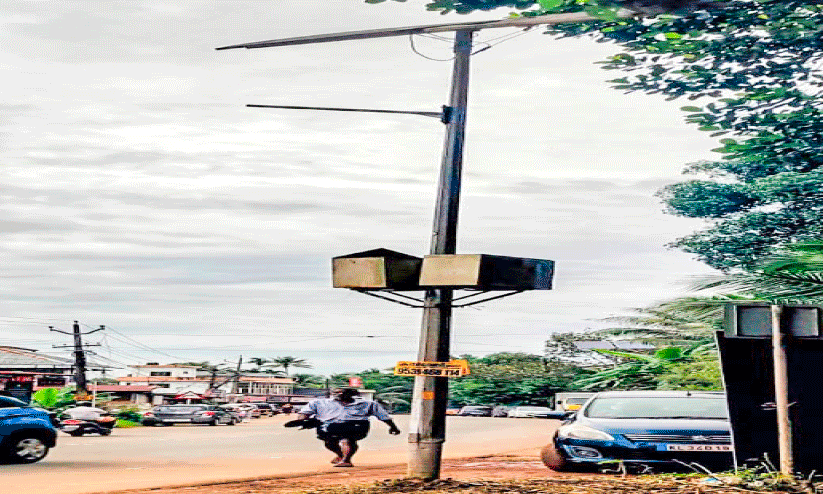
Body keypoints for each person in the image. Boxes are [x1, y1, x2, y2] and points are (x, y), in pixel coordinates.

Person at [296, 387, 401, 467]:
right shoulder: (319, 403)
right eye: (336, 393)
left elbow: (384, 416)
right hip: (329, 425)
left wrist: (393, 427)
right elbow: (305, 413)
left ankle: (346, 460)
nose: (339, 394)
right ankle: (341, 455)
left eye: (343, 393)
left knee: (347, 440)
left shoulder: (368, 404)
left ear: (352, 395)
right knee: (329, 443)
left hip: (356, 425)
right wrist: (301, 420)